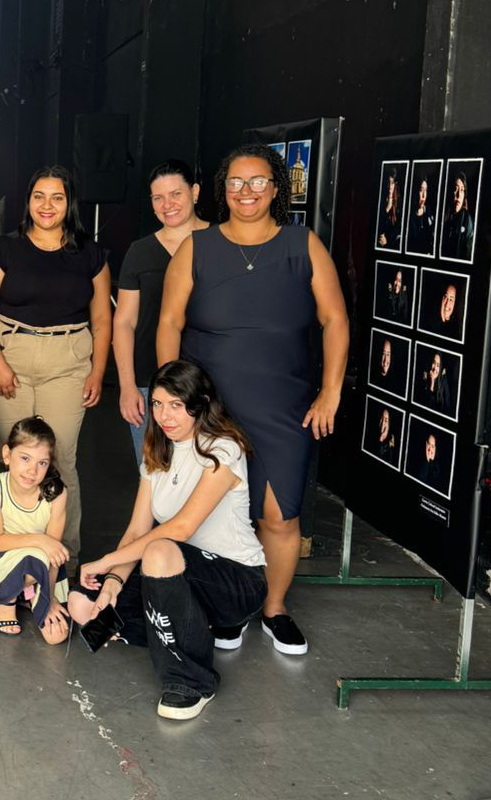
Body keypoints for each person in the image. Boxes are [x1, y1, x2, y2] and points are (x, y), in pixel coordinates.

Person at [157, 143, 349, 656]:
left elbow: (334, 320)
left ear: (276, 189)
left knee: (279, 516)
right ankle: (230, 607)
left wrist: (330, 392)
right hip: (211, 406)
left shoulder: (301, 244)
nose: (247, 192)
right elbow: (170, 323)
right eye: (237, 183)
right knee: (214, 515)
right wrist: (170, 399)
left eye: (258, 181)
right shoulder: (195, 248)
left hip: (283, 406)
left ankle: (274, 608)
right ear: (222, 190)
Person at [69, 360, 267, 720]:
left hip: (235, 580)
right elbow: (136, 530)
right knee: (82, 602)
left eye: (176, 405)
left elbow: (180, 529)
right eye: (158, 404)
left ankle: (192, 682)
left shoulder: (224, 449)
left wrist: (105, 561)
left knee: (160, 551)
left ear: (200, 403)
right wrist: (113, 580)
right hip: (174, 573)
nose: (164, 415)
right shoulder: (157, 452)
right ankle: (188, 625)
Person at [0, 166, 111, 566]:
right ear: (28, 201)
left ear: (69, 202)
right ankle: (5, 553)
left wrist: (97, 372)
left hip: (68, 361)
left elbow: (103, 318)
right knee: (11, 458)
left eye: (57, 197)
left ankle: (64, 555)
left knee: (59, 459)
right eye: (39, 196)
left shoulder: (90, 255)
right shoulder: (3, 250)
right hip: (11, 358)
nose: (47, 205)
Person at [115, 160, 209, 466]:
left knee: (208, 479)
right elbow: (125, 322)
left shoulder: (222, 241)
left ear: (194, 192)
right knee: (155, 479)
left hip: (209, 383)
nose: (167, 204)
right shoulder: (140, 251)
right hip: (149, 384)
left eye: (175, 194)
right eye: (158, 198)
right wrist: (128, 387)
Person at [0, 416, 70, 643]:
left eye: (42, 463)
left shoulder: (56, 494)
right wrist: (41, 541)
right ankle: (5, 600)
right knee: (38, 555)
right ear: (7, 455)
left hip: (42, 563)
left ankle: (31, 592)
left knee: (56, 636)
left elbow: (53, 556)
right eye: (25, 458)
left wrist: (49, 598)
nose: (32, 471)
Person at [441, 172, 474, 260]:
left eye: (462, 190)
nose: (459, 195)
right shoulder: (443, 217)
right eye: (456, 189)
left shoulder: (467, 220)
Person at [407, 176, 435, 252]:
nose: (423, 195)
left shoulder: (429, 211)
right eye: (421, 190)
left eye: (425, 191)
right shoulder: (409, 215)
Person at [376, 169, 400, 249]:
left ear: (395, 185)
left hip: (391, 243)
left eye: (392, 183)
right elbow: (378, 226)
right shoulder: (381, 200)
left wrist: (387, 242)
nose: (390, 186)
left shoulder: (398, 202)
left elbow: (397, 227)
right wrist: (387, 209)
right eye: (388, 183)